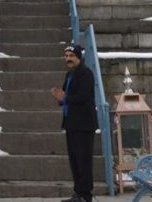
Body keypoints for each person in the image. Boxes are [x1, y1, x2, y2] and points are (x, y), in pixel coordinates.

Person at [51, 45, 97, 202]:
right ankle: (78, 193)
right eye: (66, 56)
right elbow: (66, 95)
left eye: (71, 55)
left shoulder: (86, 73)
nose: (68, 59)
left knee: (83, 161)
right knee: (75, 161)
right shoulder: (69, 74)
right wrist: (60, 98)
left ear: (79, 57)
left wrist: (65, 98)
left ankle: (85, 196)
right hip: (71, 123)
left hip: (84, 125)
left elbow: (83, 96)